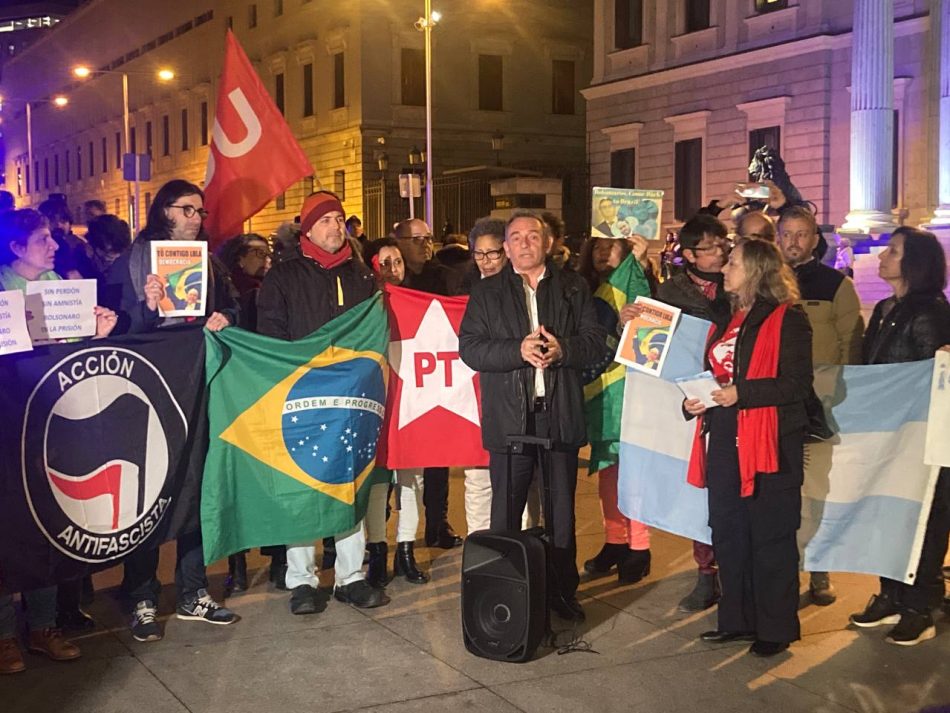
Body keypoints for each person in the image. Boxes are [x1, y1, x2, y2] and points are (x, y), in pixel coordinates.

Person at [459, 209, 608, 622]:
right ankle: (507, 593)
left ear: (547, 243)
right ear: (505, 248)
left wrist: (564, 351)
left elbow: (596, 342)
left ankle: (562, 590)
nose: (525, 243)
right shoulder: (487, 294)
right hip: (510, 418)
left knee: (562, 511)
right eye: (516, 237)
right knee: (505, 512)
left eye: (532, 236)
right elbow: (470, 348)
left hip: (558, 414)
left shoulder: (573, 288)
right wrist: (515, 352)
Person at [109, 179, 238, 641]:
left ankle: (193, 592)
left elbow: (236, 307)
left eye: (200, 213)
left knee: (195, 491)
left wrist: (226, 317)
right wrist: (143, 306)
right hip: (149, 392)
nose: (196, 219)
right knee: (150, 492)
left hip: (197, 387)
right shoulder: (131, 262)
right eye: (187, 210)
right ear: (164, 210)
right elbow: (113, 327)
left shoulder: (212, 262)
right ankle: (142, 596)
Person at [0, 208, 121, 674]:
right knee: (8, 528)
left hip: (52, 425)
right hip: (9, 425)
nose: (54, 245)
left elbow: (74, 357)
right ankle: (5, 634)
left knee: (45, 524)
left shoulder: (61, 287)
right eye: (42, 239)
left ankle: (44, 626)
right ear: (15, 249)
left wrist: (98, 333)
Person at [257, 190, 390, 613]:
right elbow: (272, 336)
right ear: (308, 229)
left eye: (339, 218)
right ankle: (302, 579)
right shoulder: (282, 277)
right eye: (326, 219)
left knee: (349, 483)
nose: (336, 226)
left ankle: (350, 576)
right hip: (303, 397)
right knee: (303, 485)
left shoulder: (362, 277)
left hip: (352, 398)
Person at [685, 238, 813, 658]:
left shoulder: (788, 320)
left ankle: (774, 627)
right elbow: (715, 374)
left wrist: (743, 392)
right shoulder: (727, 316)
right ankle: (735, 620)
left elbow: (796, 386)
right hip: (723, 436)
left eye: (733, 262)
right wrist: (693, 401)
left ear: (756, 270)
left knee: (771, 537)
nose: (724, 269)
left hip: (770, 442)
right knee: (729, 534)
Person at [850, 227, 950, 646]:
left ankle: (920, 604)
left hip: (919, 437)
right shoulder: (889, 306)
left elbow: (930, 378)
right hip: (888, 432)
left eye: (893, 251)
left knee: (923, 521)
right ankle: (890, 593)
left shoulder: (929, 311)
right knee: (887, 516)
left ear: (915, 263)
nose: (883, 256)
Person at [775, 206, 863, 605]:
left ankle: (818, 568)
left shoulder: (835, 285)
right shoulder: (765, 283)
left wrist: (841, 393)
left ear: (814, 239)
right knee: (778, 493)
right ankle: (783, 569)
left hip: (818, 406)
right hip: (771, 407)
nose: (793, 242)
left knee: (815, 492)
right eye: (787, 234)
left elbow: (852, 344)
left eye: (801, 234)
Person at [645, 213, 732, 612]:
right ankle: (705, 573)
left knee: (728, 492)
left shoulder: (737, 285)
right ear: (692, 254)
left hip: (732, 398)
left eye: (723, 244)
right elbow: (652, 350)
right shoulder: (670, 293)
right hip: (690, 400)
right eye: (712, 247)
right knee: (697, 492)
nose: (721, 253)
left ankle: (733, 572)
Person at [578, 235, 653, 584]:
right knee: (609, 471)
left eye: (611, 246)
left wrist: (629, 322)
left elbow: (653, 334)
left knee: (634, 472)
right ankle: (615, 540)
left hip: (630, 391)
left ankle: (639, 546)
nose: (603, 252)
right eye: (596, 246)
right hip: (599, 393)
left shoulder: (635, 282)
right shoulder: (580, 287)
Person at [393, 218, 465, 549]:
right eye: (416, 239)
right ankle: (392, 532)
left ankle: (438, 521)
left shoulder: (444, 277)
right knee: (401, 458)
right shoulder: (389, 278)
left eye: (428, 238)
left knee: (438, 454)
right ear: (399, 242)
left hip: (435, 374)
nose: (425, 244)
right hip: (400, 374)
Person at [361, 237, 429, 586]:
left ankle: (406, 550)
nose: (393, 268)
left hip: (411, 401)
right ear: (372, 265)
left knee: (410, 479)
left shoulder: (419, 303)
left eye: (398, 261)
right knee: (376, 481)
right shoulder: (364, 305)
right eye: (385, 262)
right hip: (376, 400)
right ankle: (377, 551)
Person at [217, 233, 272, 331]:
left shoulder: (271, 287)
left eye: (269, 255)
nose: (268, 260)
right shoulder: (225, 290)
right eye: (260, 253)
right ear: (240, 259)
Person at [38, 199, 94, 280]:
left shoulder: (80, 245)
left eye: (63, 221)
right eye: (52, 220)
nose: (58, 225)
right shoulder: (36, 249)